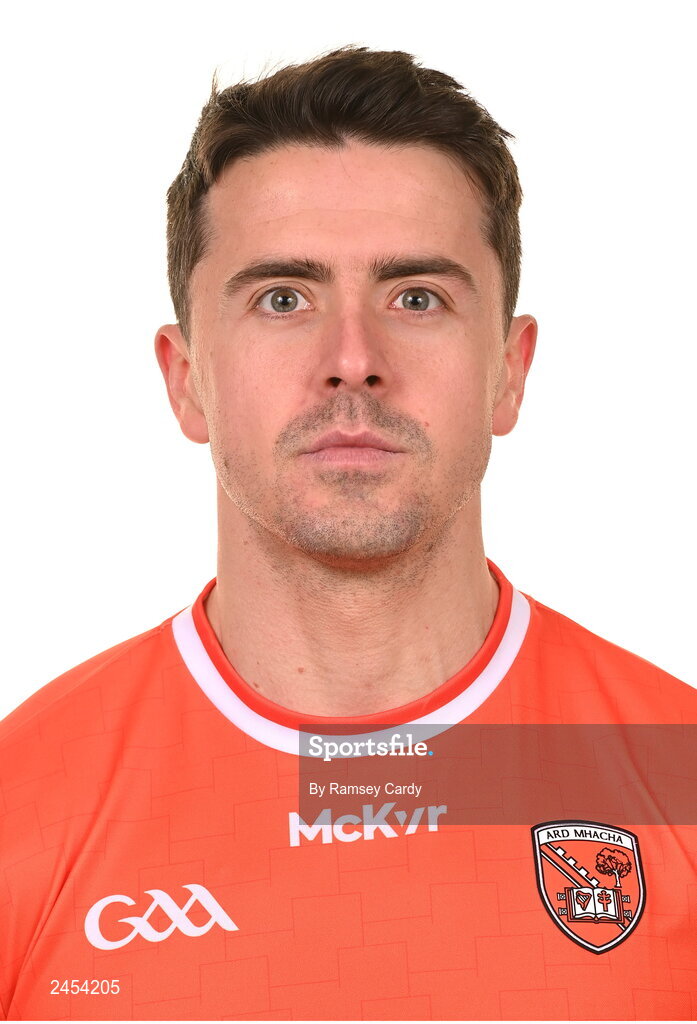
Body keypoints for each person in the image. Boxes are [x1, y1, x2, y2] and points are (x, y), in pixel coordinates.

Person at [1, 45, 695, 1023]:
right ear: (186, 379)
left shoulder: (677, 774)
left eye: (417, 297)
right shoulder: (24, 802)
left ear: (508, 370)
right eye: (283, 297)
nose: (353, 359)